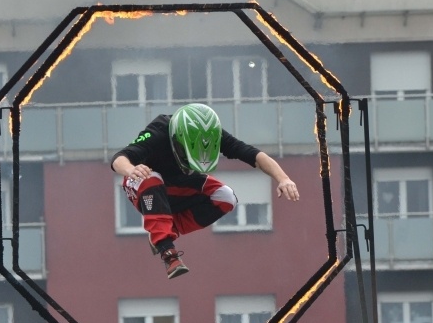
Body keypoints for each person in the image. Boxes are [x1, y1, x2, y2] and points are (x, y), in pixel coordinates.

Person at [111, 103, 299, 279]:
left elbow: (253, 154)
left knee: (226, 197)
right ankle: (167, 251)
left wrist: (283, 178)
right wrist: (131, 170)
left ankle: (167, 229)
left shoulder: (212, 133)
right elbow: (119, 158)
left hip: (177, 185)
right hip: (142, 188)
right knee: (151, 177)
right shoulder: (158, 132)